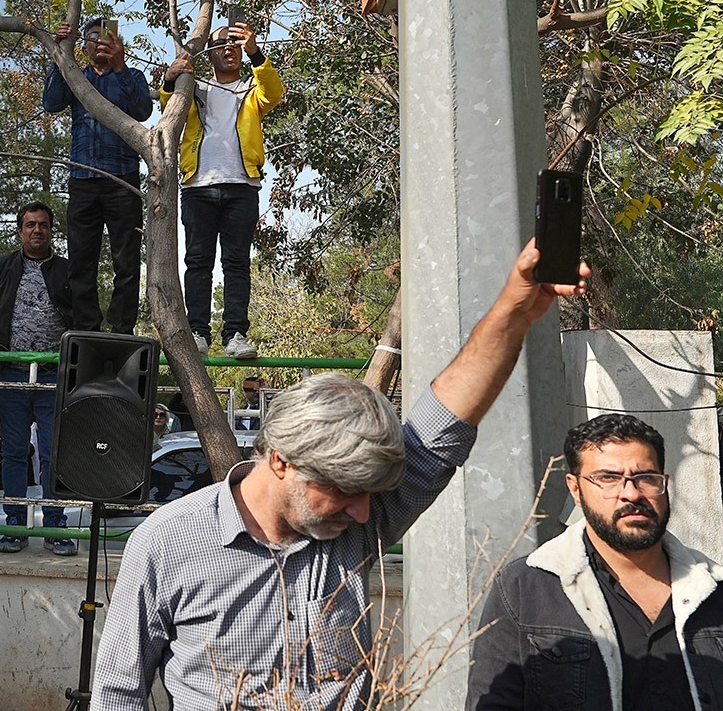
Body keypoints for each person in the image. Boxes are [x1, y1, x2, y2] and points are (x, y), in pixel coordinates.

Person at [89, 240, 589, 711]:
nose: (365, 512)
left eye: (371, 494)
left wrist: (516, 308)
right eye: (345, 491)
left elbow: (446, 422)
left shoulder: (357, 525)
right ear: (281, 459)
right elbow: (117, 694)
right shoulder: (165, 543)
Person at [465, 413, 723, 710]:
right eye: (608, 478)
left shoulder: (713, 589)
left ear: (663, 484)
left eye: (645, 478)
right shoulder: (526, 588)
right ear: (575, 489)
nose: (631, 494)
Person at [161, 21, 284, 360]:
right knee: (198, 261)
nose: (229, 48)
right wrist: (172, 77)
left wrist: (256, 51)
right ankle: (198, 331)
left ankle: (236, 334)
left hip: (242, 185)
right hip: (198, 185)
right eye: (222, 44)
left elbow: (274, 92)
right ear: (209, 53)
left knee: (236, 262)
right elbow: (168, 106)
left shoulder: (251, 87)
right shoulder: (194, 87)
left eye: (235, 43)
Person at [0, 202, 76, 556]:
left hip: (53, 376)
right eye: (30, 225)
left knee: (54, 453)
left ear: (51, 231)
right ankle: (15, 524)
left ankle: (54, 526)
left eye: (43, 225)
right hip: (11, 373)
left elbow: (84, 313)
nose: (37, 231)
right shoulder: (0, 268)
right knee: (14, 452)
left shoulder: (66, 270)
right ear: (20, 231)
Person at [43, 18, 153, 335]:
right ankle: (86, 327)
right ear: (84, 44)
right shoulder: (76, 75)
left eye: (107, 36)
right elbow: (51, 103)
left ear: (117, 42)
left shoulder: (131, 76)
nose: (100, 42)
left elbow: (143, 110)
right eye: (92, 36)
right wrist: (59, 55)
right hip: (83, 178)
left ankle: (121, 329)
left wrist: (120, 67)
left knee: (127, 262)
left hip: (123, 180)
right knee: (80, 262)